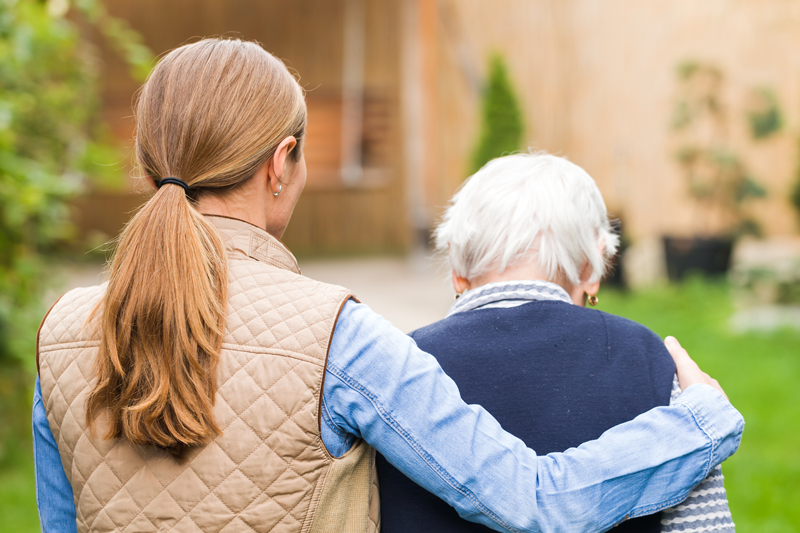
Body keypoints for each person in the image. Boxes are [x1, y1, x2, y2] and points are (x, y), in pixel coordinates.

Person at [33, 39, 742, 533]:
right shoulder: (335, 335)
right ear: (282, 163)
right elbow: (531, 499)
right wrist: (698, 420)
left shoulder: (59, 332)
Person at [377, 153, 736, 533]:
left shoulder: (397, 368)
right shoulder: (652, 361)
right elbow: (703, 525)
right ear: (592, 267)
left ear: (456, 267)